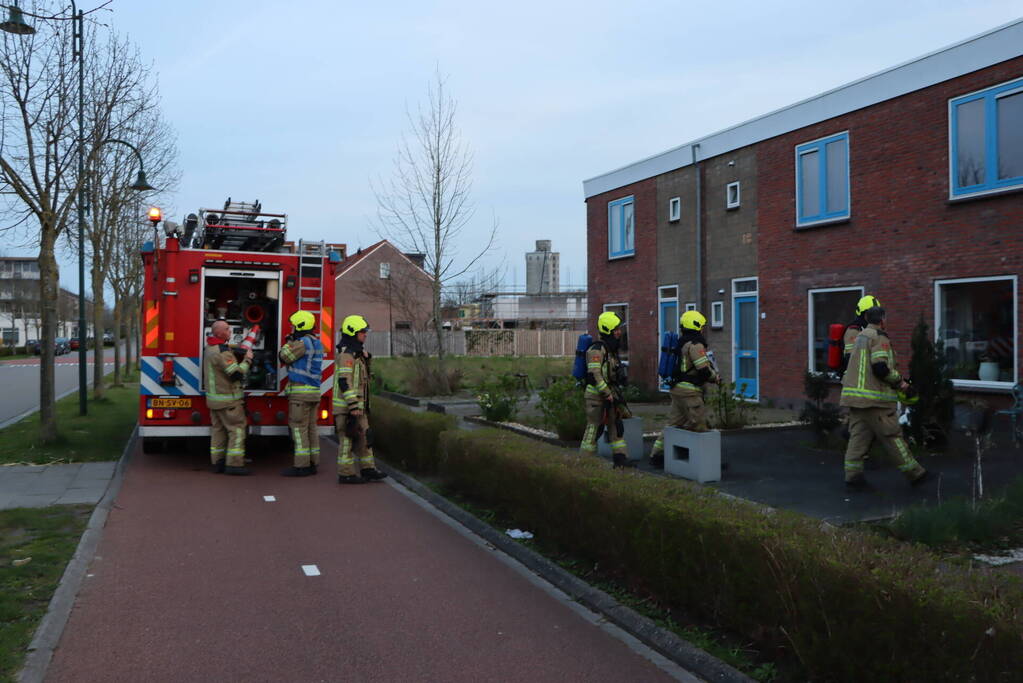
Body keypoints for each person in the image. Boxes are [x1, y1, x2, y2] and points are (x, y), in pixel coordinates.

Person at [839, 301, 928, 490]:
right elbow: (880, 367)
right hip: (875, 401)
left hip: (854, 399)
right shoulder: (879, 338)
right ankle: (916, 474)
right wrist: (901, 383)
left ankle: (853, 477)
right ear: (883, 320)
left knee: (858, 439)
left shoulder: (858, 336)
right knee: (893, 437)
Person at [649, 310, 719, 468]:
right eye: (701, 326)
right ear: (696, 326)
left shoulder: (681, 343)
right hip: (690, 393)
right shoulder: (695, 345)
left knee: (673, 424)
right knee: (699, 425)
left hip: (677, 389)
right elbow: (703, 369)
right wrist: (715, 377)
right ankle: (706, 463)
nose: (702, 330)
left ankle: (656, 454)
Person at [333, 314, 388, 484]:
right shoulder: (347, 356)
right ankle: (346, 473)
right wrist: (352, 405)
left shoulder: (357, 354)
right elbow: (344, 381)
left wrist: (367, 358)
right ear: (352, 332)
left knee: (366, 437)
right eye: (362, 332)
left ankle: (368, 469)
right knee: (347, 440)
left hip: (359, 407)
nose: (365, 334)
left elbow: (364, 379)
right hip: (348, 408)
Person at [579, 311, 631, 469]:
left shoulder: (611, 350)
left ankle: (621, 461)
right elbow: (595, 375)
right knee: (594, 428)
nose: (619, 332)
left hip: (610, 395)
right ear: (608, 330)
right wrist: (607, 393)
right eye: (616, 329)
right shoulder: (596, 349)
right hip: (596, 397)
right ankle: (584, 463)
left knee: (616, 427)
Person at [278, 310, 324, 477]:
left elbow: (283, 356)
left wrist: (288, 341)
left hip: (300, 394)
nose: (292, 329)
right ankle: (313, 463)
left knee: (299, 429)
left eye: (293, 326)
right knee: (311, 429)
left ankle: (301, 466)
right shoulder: (317, 342)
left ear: (300, 325)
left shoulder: (302, 343)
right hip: (313, 392)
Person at [204, 319, 252, 475]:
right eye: (227, 329)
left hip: (214, 401)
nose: (230, 331)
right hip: (228, 401)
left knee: (218, 431)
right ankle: (235, 465)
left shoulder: (210, 348)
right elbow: (236, 373)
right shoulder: (222, 352)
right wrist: (248, 359)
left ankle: (218, 462)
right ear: (219, 333)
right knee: (237, 430)